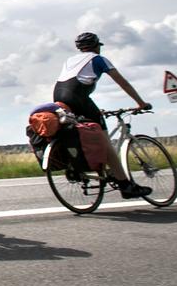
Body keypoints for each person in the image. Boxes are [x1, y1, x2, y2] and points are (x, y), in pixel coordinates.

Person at [54, 32, 153, 199]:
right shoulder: (98, 59)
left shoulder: (70, 61)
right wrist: (141, 103)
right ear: (96, 46)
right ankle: (125, 185)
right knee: (104, 140)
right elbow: (123, 83)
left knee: (81, 131)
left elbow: (76, 82)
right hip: (78, 97)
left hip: (59, 96)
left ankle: (80, 166)